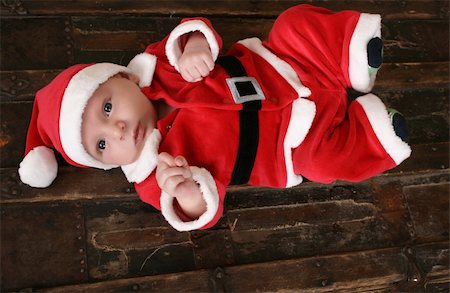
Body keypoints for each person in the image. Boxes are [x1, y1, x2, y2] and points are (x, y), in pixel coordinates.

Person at [18, 4, 411, 231]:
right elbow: (203, 212)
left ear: (121, 77)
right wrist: (188, 194)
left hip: (282, 66)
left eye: (107, 108)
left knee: (293, 25)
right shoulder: (154, 177)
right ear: (105, 164)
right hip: (291, 142)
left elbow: (195, 31)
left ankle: (353, 54)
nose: (117, 129)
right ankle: (376, 130)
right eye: (102, 145)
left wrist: (193, 46)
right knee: (324, 163)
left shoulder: (158, 64)